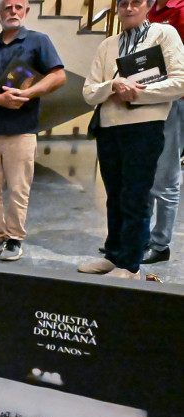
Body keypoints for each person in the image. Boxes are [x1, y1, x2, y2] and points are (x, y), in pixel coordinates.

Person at [78, 0, 184, 278]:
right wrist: (111, 85)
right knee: (114, 196)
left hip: (144, 127)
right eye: (122, 2)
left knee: (136, 197)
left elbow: (179, 82)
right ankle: (114, 255)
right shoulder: (107, 45)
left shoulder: (163, 35)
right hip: (108, 127)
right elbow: (89, 92)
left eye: (135, 2)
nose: (128, 8)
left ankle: (130, 264)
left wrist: (137, 93)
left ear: (147, 5)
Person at [0, 0, 66, 262]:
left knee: (17, 189)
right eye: (8, 7)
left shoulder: (39, 41)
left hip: (21, 129)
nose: (13, 11)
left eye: (19, 6)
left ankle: (14, 238)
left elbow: (58, 76)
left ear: (26, 11)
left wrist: (29, 92)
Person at [143, 0, 184, 264]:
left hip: (174, 99)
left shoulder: (179, 10)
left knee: (166, 176)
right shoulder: (149, 8)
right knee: (144, 175)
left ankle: (160, 244)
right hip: (148, 96)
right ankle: (139, 237)